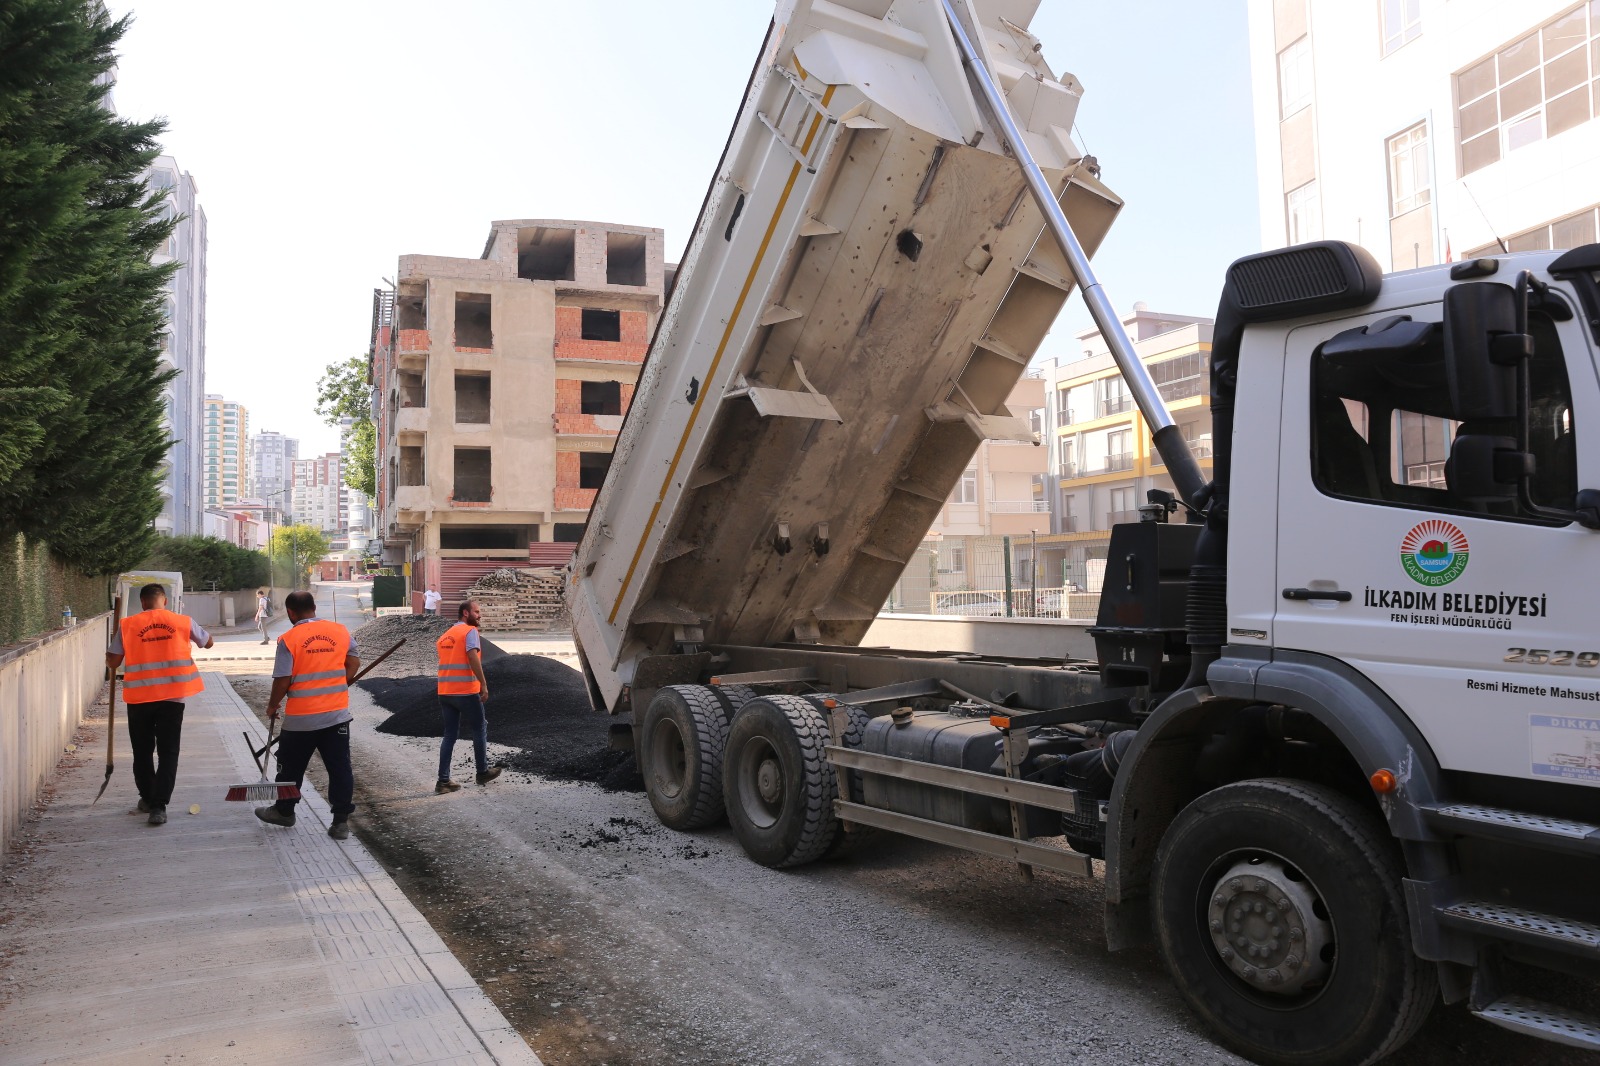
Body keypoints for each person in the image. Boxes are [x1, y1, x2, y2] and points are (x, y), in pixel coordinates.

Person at [255, 590, 361, 840]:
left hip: (301, 719)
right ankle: (340, 823)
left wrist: (272, 706)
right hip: (336, 716)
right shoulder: (340, 631)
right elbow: (354, 663)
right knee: (340, 769)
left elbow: (282, 679)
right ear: (314, 607)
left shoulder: (289, 639)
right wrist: (339, 684)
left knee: (290, 768)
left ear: (290, 613)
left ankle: (284, 812)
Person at [105, 583, 213, 826]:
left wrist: (109, 656)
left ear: (142, 602)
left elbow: (113, 662)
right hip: (173, 698)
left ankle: (147, 797)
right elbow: (208, 643)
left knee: (142, 751)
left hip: (139, 699)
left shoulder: (128, 625)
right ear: (164, 600)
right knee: (168, 752)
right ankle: (159, 806)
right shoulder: (183, 621)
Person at [434, 599, 501, 793]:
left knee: (449, 734)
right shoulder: (469, 632)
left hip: (445, 692)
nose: (479, 615)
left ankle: (443, 781)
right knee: (479, 727)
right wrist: (483, 684)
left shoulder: (445, 636)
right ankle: (482, 772)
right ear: (465, 613)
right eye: (477, 612)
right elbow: (472, 656)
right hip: (465, 691)